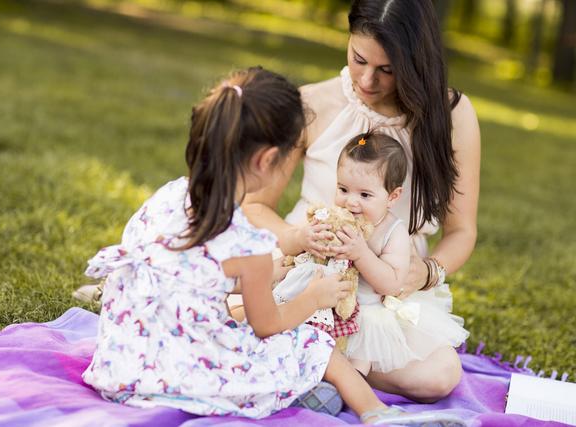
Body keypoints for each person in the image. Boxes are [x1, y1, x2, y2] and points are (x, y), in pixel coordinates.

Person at [81, 67, 396, 422]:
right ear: (265, 161)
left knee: (241, 319)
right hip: (188, 376)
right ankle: (378, 413)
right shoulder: (248, 239)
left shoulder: (169, 196)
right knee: (316, 346)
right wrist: (315, 298)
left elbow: (193, 271)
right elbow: (269, 324)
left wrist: (258, 276)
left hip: (124, 364)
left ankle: (306, 392)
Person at [243, 0, 481, 403]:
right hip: (308, 266)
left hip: (388, 287)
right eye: (358, 60)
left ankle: (309, 359)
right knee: (236, 292)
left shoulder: (452, 115)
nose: (367, 81)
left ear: (415, 64)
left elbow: (462, 231)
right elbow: (254, 205)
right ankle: (321, 358)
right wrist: (298, 236)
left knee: (439, 376)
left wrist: (427, 272)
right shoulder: (313, 102)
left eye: (387, 70)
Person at [332, 131, 469, 375]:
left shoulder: (393, 232)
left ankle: (343, 389)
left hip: (368, 311)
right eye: (343, 189)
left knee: (357, 361)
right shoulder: (338, 217)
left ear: (392, 196)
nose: (350, 202)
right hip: (330, 300)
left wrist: (361, 254)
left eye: (364, 195)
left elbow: (392, 283)